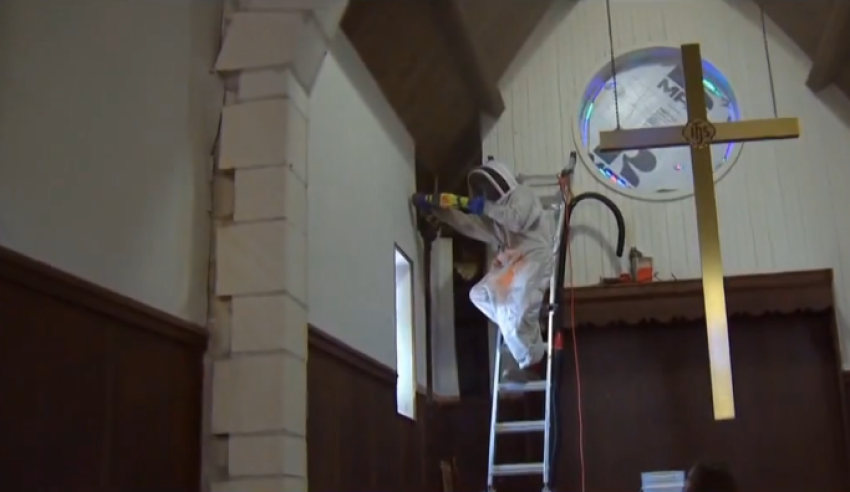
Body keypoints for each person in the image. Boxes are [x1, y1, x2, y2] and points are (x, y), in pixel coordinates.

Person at [411, 157, 554, 382]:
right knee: (479, 294)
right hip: (513, 263)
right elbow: (468, 225)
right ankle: (524, 324)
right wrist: (438, 210)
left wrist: (485, 207)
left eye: (487, 188)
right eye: (483, 190)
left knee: (514, 315)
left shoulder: (522, 195)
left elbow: (516, 221)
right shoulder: (495, 218)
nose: (485, 192)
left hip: (535, 259)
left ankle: (533, 365)